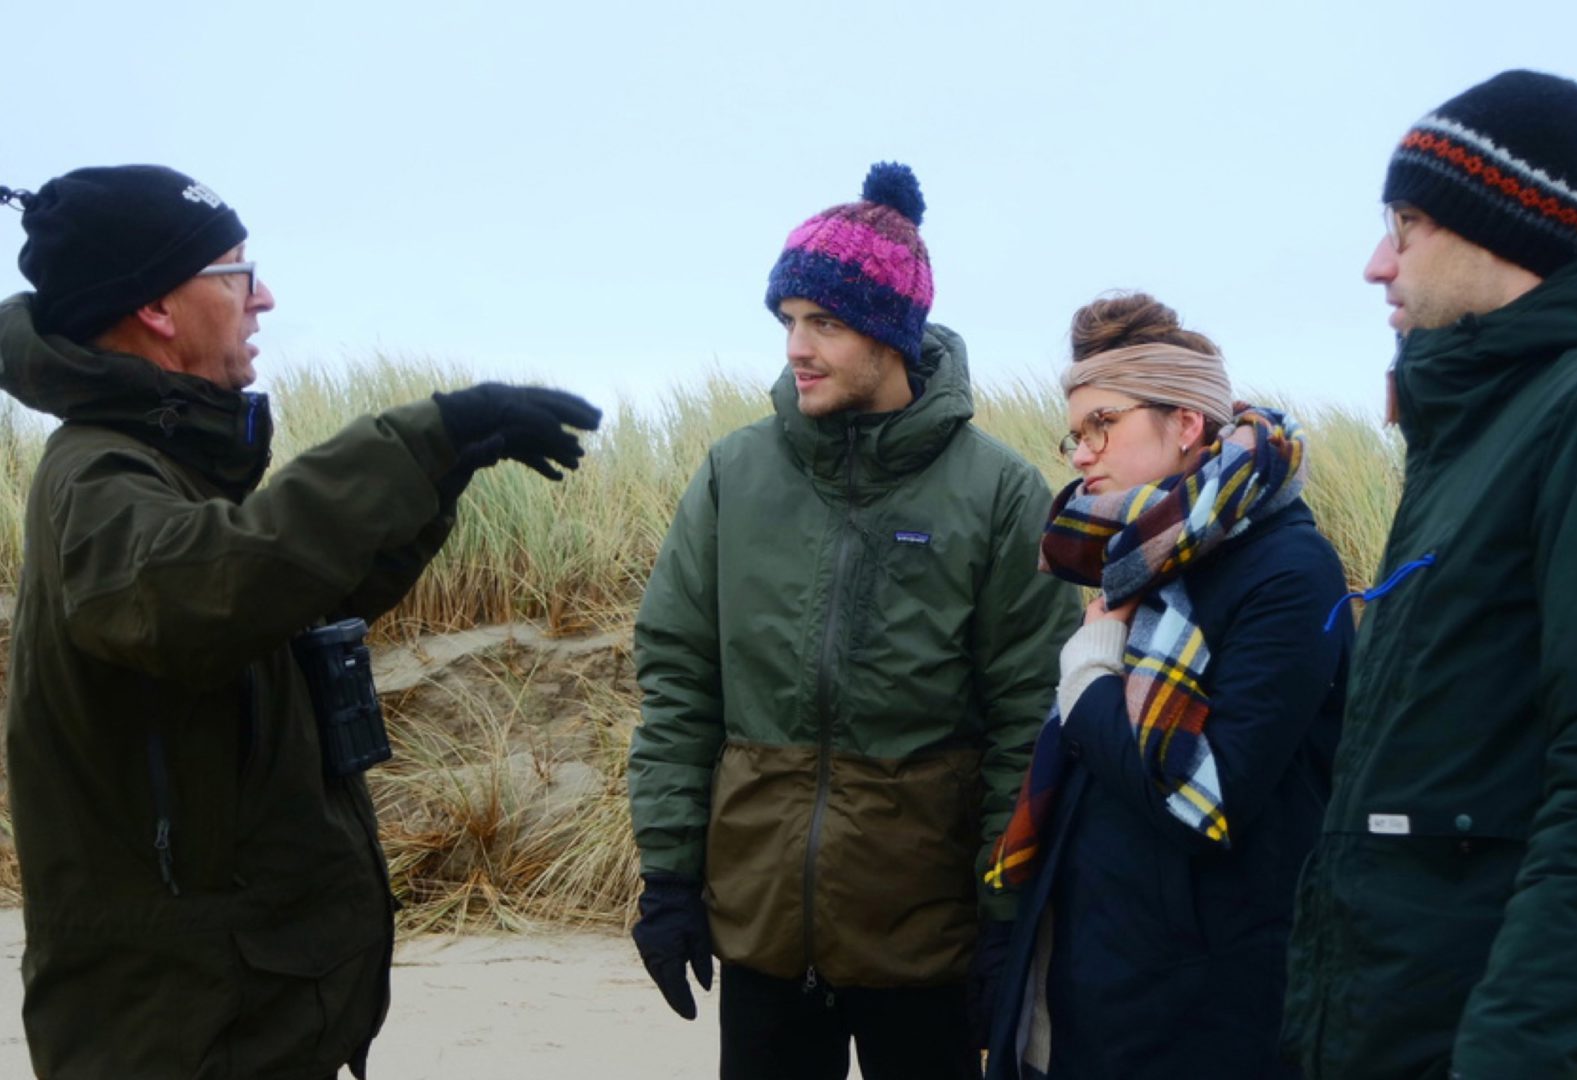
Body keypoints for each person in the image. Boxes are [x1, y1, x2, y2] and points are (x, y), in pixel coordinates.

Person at [0, 165, 600, 1079]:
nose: (264, 298)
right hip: (177, 1032)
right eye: (238, 274)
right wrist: (412, 439)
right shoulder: (95, 479)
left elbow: (285, 605)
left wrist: (430, 483)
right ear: (159, 308)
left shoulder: (169, 466)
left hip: (247, 1017)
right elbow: (206, 595)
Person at [1282, 71, 1577, 1079]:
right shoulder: (1476, 435)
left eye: (1406, 224)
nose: (1379, 263)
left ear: (1505, 227)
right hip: (1396, 1031)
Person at [626, 161, 1079, 1080]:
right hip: (761, 928)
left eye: (824, 323)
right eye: (789, 320)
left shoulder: (998, 494)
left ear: (891, 335)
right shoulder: (732, 475)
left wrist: (1004, 918)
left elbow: (1027, 722)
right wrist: (669, 875)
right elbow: (678, 679)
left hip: (927, 941)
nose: (797, 346)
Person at [982, 293, 1351, 1080]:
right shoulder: (1138, 558)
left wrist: (1089, 670)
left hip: (1201, 1015)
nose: (1081, 454)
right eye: (1074, 433)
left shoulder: (1290, 572)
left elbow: (1204, 797)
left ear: (1186, 424)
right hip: (1091, 983)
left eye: (1103, 425)